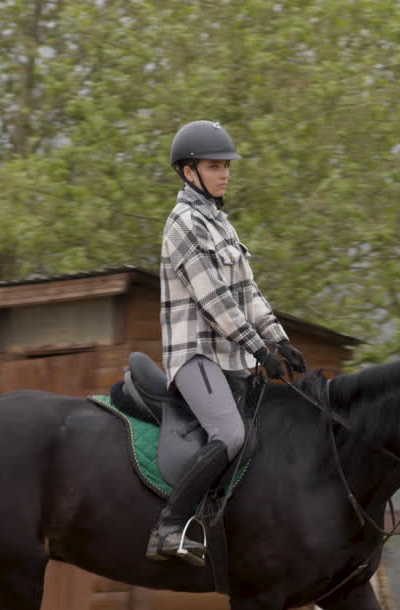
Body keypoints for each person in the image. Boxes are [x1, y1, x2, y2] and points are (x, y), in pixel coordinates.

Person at [145, 120, 308, 565]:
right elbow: (214, 300)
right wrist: (259, 350)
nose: (225, 174)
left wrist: (281, 340)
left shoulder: (222, 224)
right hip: (196, 355)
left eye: (226, 166)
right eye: (215, 166)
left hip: (231, 357)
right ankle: (170, 526)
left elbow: (248, 293)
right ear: (188, 171)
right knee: (231, 433)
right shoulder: (182, 224)